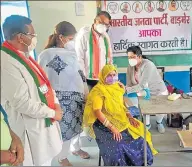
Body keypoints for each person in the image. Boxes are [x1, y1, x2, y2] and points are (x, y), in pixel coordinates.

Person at [1, 15, 63, 166]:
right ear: (20, 37)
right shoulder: (5, 62)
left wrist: (56, 104)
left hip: (44, 121)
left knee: (46, 160)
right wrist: (53, 113)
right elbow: (22, 103)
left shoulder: (25, 56)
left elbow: (45, 85)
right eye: (32, 35)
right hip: (29, 129)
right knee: (36, 162)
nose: (35, 37)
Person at [83, 64, 158, 166]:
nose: (112, 77)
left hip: (121, 120)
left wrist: (130, 117)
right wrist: (112, 128)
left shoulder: (118, 88)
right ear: (103, 76)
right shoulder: (98, 91)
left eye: (114, 74)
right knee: (118, 147)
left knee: (141, 138)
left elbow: (122, 105)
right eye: (109, 75)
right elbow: (97, 111)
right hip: (103, 125)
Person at [38, 21, 90, 166]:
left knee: (77, 125)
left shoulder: (72, 54)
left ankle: (76, 148)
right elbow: (41, 78)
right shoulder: (45, 55)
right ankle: (62, 157)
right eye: (70, 38)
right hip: (56, 99)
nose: (71, 41)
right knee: (63, 129)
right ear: (61, 37)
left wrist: (85, 92)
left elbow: (80, 75)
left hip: (75, 97)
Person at [125, 46, 168, 134]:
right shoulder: (130, 67)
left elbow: (141, 85)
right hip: (144, 92)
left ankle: (159, 122)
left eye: (132, 57)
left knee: (160, 111)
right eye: (129, 57)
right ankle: (147, 125)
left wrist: (126, 90)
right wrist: (126, 89)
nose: (130, 60)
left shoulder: (148, 65)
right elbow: (129, 84)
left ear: (140, 56)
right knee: (144, 109)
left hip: (158, 90)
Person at [75, 11, 113, 89]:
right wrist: (82, 80)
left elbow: (109, 58)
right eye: (101, 22)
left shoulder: (105, 37)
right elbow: (79, 58)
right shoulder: (84, 35)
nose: (103, 26)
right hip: (88, 79)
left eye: (106, 24)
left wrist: (111, 78)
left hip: (103, 79)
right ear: (95, 21)